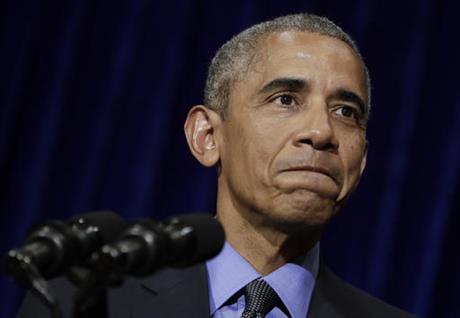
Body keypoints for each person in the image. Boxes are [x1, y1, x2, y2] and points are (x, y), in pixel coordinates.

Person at [18, 13, 415, 318]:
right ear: (207, 137)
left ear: (360, 162)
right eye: (285, 99)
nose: (321, 131)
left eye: (346, 111)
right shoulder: (84, 300)